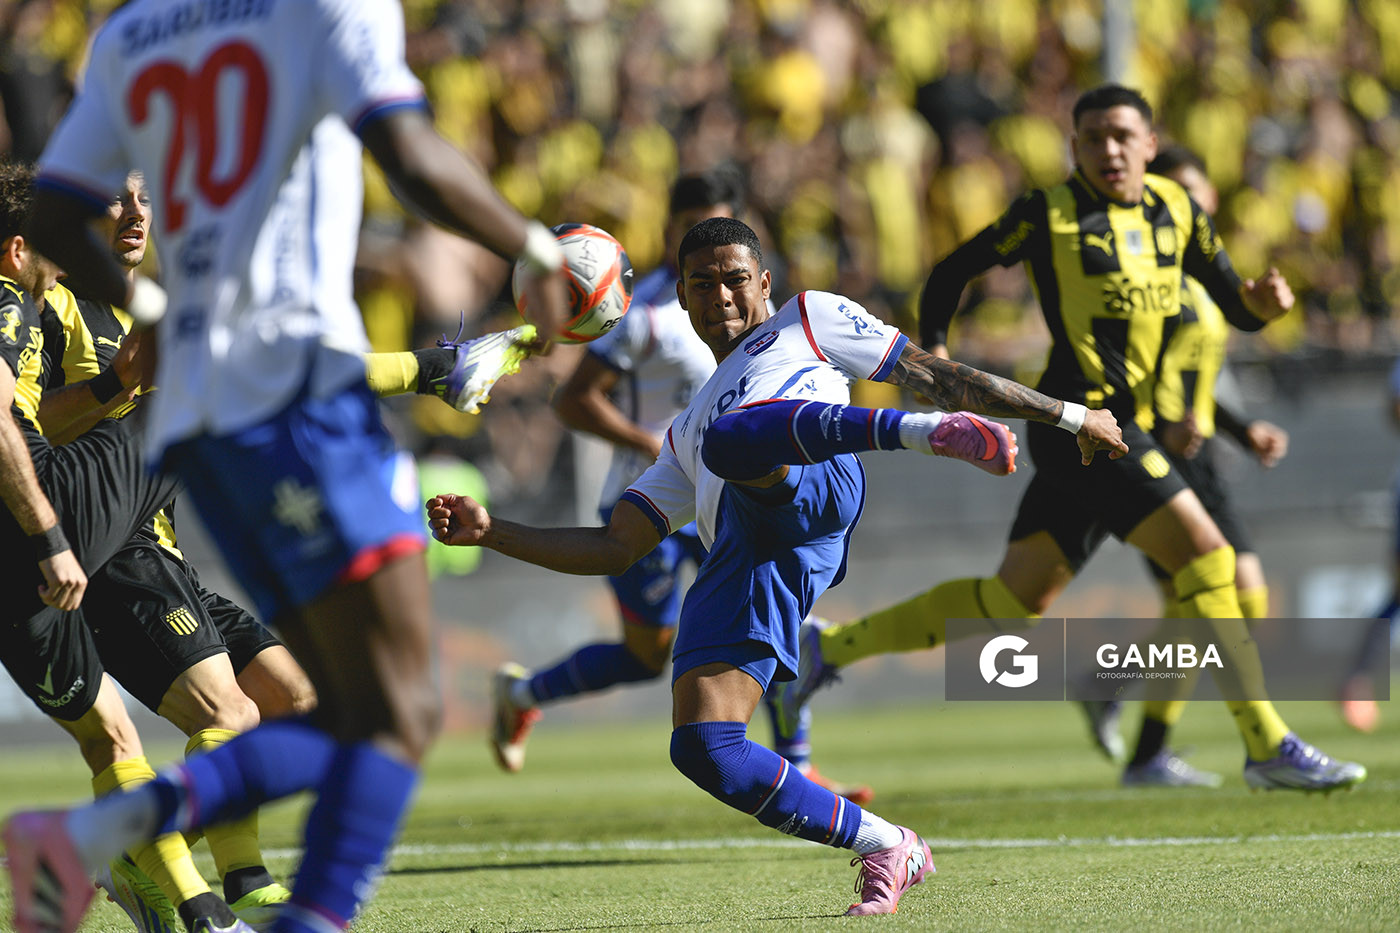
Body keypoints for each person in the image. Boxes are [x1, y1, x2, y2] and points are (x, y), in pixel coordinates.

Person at [5, 2, 573, 933]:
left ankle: (127, 843)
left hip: (197, 423)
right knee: (397, 709)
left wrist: (150, 312)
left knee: (346, 705)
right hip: (293, 400)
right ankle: (110, 835)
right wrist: (533, 246)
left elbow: (60, 210)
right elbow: (412, 155)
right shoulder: (326, 8)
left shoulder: (130, 32)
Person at [427, 216, 1127, 915]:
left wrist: (1068, 416)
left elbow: (935, 373)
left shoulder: (810, 318)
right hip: (746, 549)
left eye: (735, 278)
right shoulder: (686, 432)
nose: (721, 295)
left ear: (763, 282)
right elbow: (615, 545)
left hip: (817, 484)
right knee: (704, 746)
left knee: (738, 441)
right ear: (684, 299)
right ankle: (888, 844)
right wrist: (494, 532)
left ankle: (922, 434)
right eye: (702, 283)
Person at [772, 85, 1366, 793]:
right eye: (1092, 137)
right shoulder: (1048, 214)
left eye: (1121, 135)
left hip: (1123, 428)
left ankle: (826, 648)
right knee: (1209, 559)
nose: (1108, 150)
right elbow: (951, 272)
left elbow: (1233, 302)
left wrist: (1261, 307)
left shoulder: (1177, 212)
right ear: (1074, 146)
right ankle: (1265, 743)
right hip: (1081, 423)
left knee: (1010, 600)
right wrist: (934, 359)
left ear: (1149, 143)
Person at [491, 168, 872, 802]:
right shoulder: (639, 313)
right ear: (671, 231)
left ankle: (797, 765)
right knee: (648, 655)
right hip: (656, 492)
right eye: (691, 223)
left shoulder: (768, 318)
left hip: (729, 492)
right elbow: (574, 401)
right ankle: (523, 693)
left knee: (770, 616)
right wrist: (655, 447)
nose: (718, 288)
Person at [40, 170, 319, 932]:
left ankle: (158, 854)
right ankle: (215, 872)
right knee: (230, 710)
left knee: (293, 700)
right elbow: (24, 431)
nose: (133, 212)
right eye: (113, 196)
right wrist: (116, 383)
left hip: (165, 550)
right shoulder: (52, 303)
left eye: (143, 196)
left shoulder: (161, 307)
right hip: (109, 554)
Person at [1099, 145, 1291, 788]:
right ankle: (1168, 740)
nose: (1187, 202)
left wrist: (1239, 429)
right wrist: (1163, 426)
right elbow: (1137, 381)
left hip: (1200, 448)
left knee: (1232, 596)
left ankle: (1125, 702)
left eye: (1195, 192)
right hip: (1159, 451)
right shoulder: (1150, 285)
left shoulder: (1202, 282)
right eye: (1175, 190)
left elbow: (1199, 385)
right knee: (1217, 591)